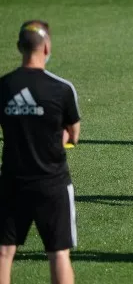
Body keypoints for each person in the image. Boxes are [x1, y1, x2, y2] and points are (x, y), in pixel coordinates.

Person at [0, 20, 81, 284]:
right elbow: (74, 135)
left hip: (12, 181)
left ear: (19, 47)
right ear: (46, 48)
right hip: (53, 183)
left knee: (3, 252)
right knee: (58, 253)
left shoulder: (3, 87)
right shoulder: (61, 89)